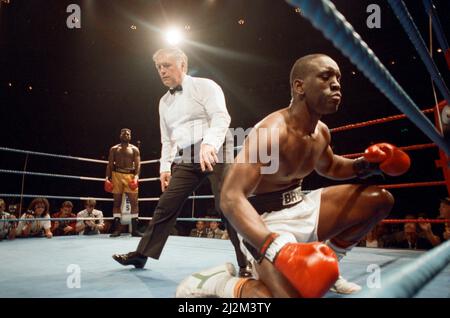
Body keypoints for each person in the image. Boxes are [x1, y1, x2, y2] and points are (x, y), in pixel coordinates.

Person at [175, 54, 410, 298]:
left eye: (338, 78)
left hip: (302, 207)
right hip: (266, 224)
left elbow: (330, 167)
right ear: (299, 87)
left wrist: (365, 165)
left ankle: (331, 268)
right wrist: (273, 246)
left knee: (380, 200)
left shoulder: (321, 132)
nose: (337, 83)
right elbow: (231, 197)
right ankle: (220, 283)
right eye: (326, 76)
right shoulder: (271, 131)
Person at [112, 47, 250, 277]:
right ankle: (141, 254)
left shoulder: (205, 86)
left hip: (217, 147)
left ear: (183, 65)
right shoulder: (163, 102)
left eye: (167, 65)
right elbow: (167, 138)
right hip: (186, 155)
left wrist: (209, 144)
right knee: (166, 203)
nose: (162, 71)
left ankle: (247, 262)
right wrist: (165, 167)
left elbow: (221, 116)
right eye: (158, 67)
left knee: (227, 205)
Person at [105, 128, 142, 237]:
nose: (126, 134)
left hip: (130, 176)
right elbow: (110, 164)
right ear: (120, 135)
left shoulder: (134, 149)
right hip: (117, 175)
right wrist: (107, 178)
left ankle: (135, 230)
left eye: (128, 133)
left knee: (134, 202)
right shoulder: (114, 149)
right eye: (124, 133)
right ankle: (117, 229)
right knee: (116, 202)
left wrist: (136, 177)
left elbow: (138, 165)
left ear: (130, 136)